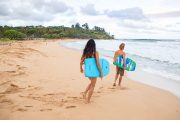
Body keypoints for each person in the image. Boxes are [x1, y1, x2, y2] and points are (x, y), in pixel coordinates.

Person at [80, 39, 103, 103]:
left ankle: (84, 93)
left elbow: (81, 61)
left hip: (87, 71)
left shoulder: (85, 52)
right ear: (94, 45)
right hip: (94, 71)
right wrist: (101, 72)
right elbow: (98, 63)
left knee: (92, 83)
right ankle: (88, 100)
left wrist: (81, 68)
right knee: (93, 85)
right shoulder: (95, 52)